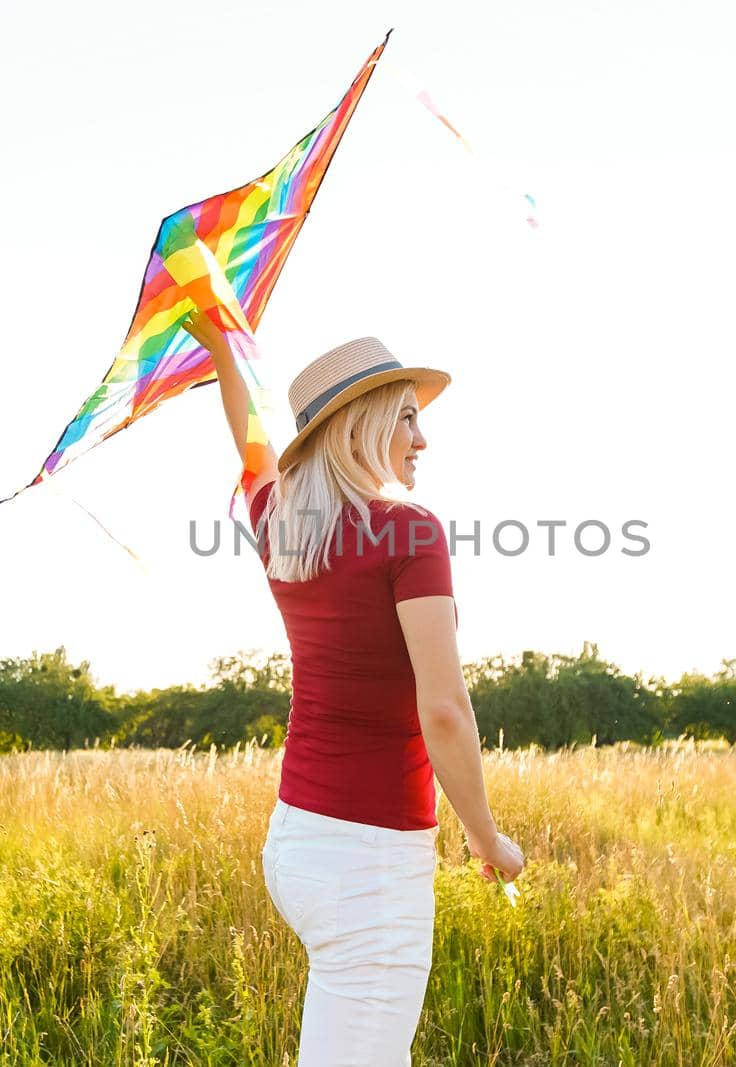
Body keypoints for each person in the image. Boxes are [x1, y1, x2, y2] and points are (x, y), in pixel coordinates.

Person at [184, 310, 526, 1066]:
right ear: (360, 425)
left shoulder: (281, 524)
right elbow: (442, 709)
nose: (422, 438)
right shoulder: (411, 533)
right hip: (370, 867)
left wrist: (223, 351)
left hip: (300, 844)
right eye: (407, 417)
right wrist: (485, 838)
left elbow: (252, 446)